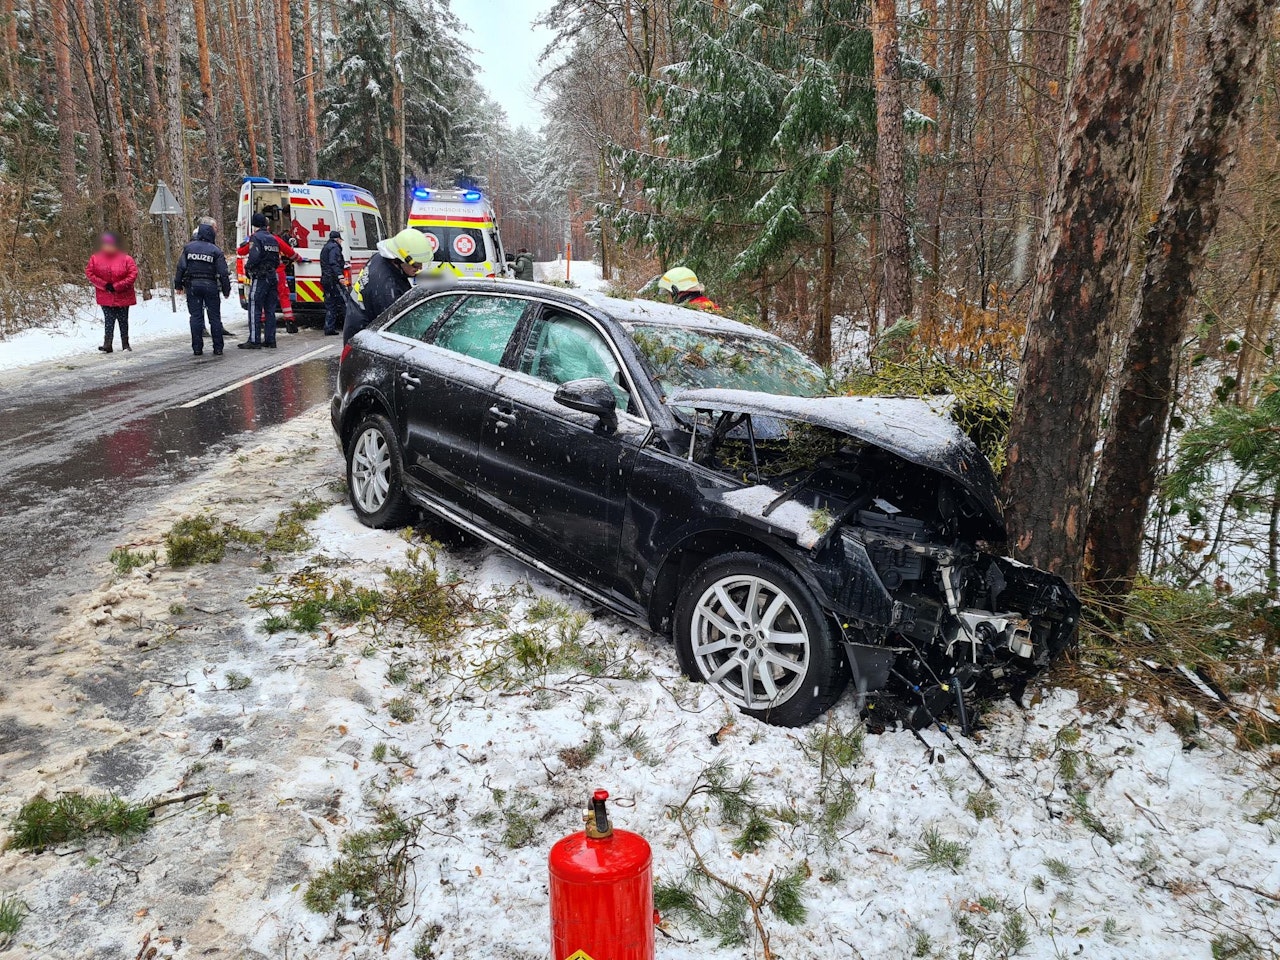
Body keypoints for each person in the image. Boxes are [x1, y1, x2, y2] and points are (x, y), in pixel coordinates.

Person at [342, 227, 434, 343]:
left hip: (356, 326)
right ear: (398, 259)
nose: (420, 267)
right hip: (364, 341)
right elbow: (396, 332)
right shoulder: (387, 289)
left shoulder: (379, 259)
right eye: (415, 264)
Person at [174, 222, 232, 356]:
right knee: (214, 318)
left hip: (193, 286)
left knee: (195, 317)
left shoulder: (188, 248)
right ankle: (218, 347)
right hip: (210, 286)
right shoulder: (215, 250)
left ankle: (197, 348)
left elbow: (181, 267)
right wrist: (226, 289)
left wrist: (178, 285)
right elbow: (223, 272)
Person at [85, 232, 138, 353]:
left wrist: (117, 286)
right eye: (106, 244)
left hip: (123, 295)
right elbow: (90, 273)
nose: (108, 247)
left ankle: (125, 343)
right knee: (109, 320)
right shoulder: (95, 258)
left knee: (123, 320)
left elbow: (132, 274)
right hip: (105, 296)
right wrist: (104, 285)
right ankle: (107, 344)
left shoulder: (126, 259)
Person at [241, 212, 281, 350]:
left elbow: (254, 256)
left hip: (261, 276)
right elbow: (277, 259)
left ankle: (254, 340)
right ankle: (270, 339)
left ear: (254, 225)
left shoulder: (256, 238)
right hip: (272, 276)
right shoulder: (273, 238)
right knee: (270, 309)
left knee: (254, 306)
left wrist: (248, 267)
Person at [320, 229, 346, 336]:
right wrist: (340, 276)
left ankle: (329, 327)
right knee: (345, 302)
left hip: (326, 279)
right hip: (333, 280)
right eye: (340, 240)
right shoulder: (334, 248)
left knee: (330, 304)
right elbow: (333, 263)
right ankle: (350, 326)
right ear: (337, 239)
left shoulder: (326, 247)